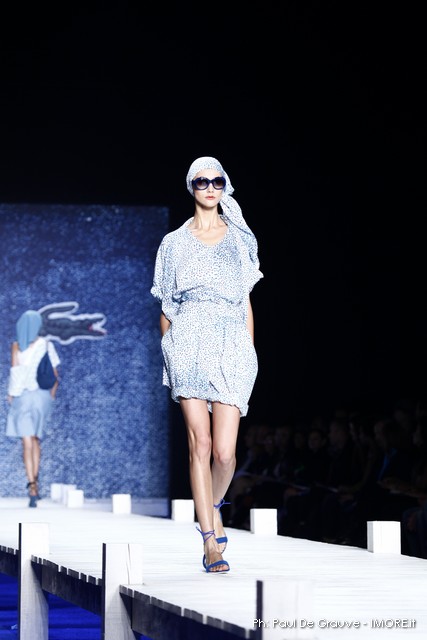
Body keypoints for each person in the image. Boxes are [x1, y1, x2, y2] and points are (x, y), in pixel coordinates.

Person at [151, 156, 263, 573]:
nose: (211, 187)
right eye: (202, 181)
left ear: (225, 185)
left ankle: (212, 509)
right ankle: (210, 542)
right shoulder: (173, 243)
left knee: (225, 453)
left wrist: (248, 351)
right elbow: (166, 306)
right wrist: (171, 348)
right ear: (191, 187)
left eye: (218, 181)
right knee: (199, 444)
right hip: (188, 342)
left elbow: (245, 300)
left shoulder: (239, 237)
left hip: (231, 343)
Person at [6, 310, 60, 507]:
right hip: (41, 397)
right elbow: (55, 375)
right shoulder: (46, 344)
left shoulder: (16, 346)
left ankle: (32, 486)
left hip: (22, 397)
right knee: (36, 439)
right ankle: (35, 482)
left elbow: (15, 374)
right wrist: (50, 397)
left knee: (26, 442)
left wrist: (11, 395)